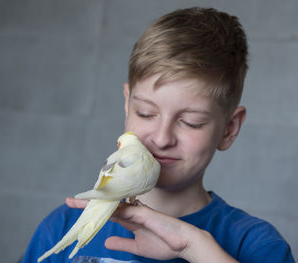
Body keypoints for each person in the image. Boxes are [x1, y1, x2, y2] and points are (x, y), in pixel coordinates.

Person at [22, 7, 295, 263]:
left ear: (229, 128)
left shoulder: (257, 245)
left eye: (191, 122)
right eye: (145, 113)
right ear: (127, 104)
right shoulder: (62, 226)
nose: (162, 138)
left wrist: (194, 247)